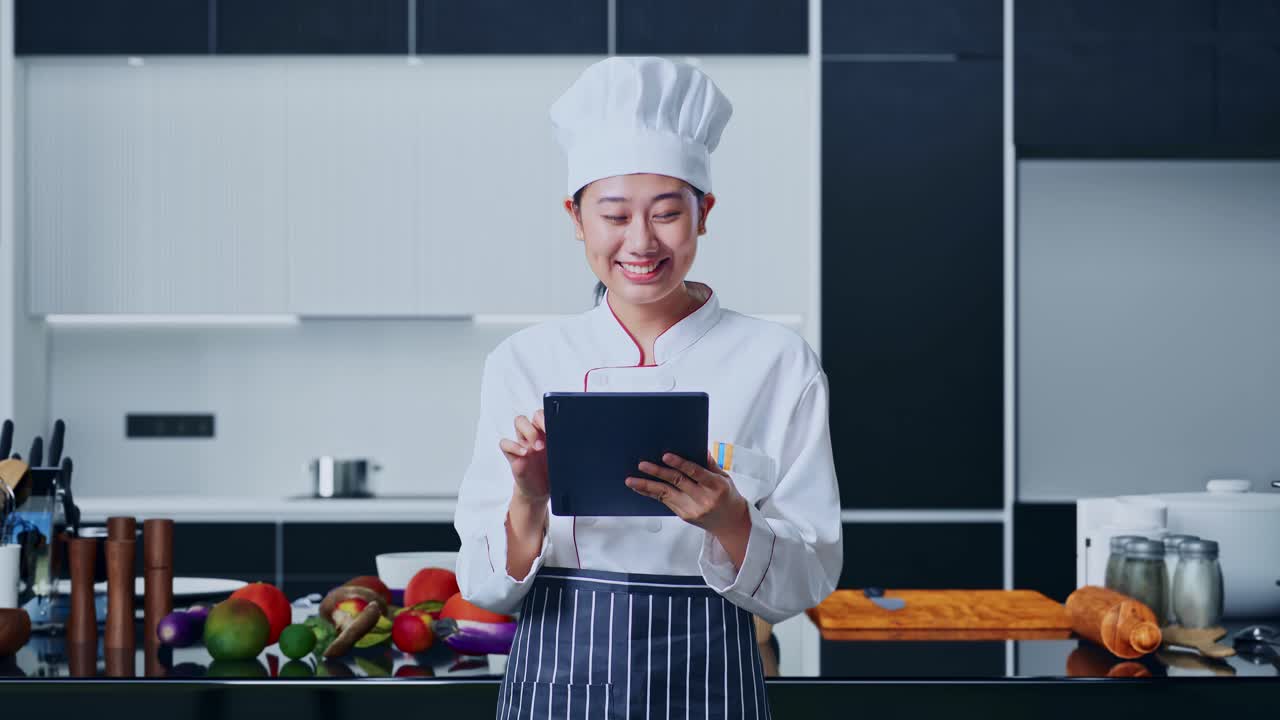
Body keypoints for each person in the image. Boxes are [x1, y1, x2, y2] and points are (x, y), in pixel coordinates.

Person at [454, 56, 841, 720]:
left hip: (711, 681)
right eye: (613, 215)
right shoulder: (525, 361)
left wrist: (732, 523)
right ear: (576, 218)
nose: (641, 241)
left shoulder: (777, 362)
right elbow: (484, 589)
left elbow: (810, 577)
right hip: (557, 681)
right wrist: (528, 498)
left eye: (666, 214)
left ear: (704, 212)